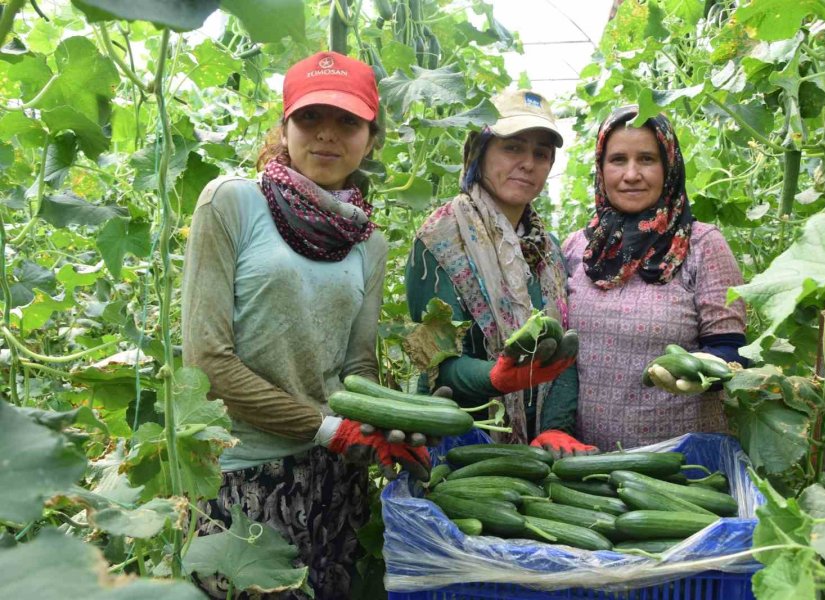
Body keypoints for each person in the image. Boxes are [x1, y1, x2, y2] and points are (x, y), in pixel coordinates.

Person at [182, 51, 429, 600]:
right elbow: (207, 363)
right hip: (242, 475)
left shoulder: (368, 241)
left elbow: (356, 367)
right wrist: (327, 428)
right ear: (285, 125)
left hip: (336, 477)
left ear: (370, 136)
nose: (327, 136)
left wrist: (387, 426)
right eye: (310, 118)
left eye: (348, 122)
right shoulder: (231, 203)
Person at [405, 89, 595, 457]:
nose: (528, 163)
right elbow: (435, 364)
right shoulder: (437, 242)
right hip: (461, 444)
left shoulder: (549, 250)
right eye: (512, 147)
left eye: (541, 154)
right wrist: (495, 379)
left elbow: (564, 356)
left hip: (534, 457)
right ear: (479, 151)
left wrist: (555, 427)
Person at [562, 105, 748, 452]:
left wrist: (702, 375)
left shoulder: (703, 245)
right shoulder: (577, 248)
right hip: (586, 464)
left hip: (682, 465)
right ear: (601, 169)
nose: (631, 174)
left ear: (669, 166)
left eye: (647, 159)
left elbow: (733, 350)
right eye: (618, 160)